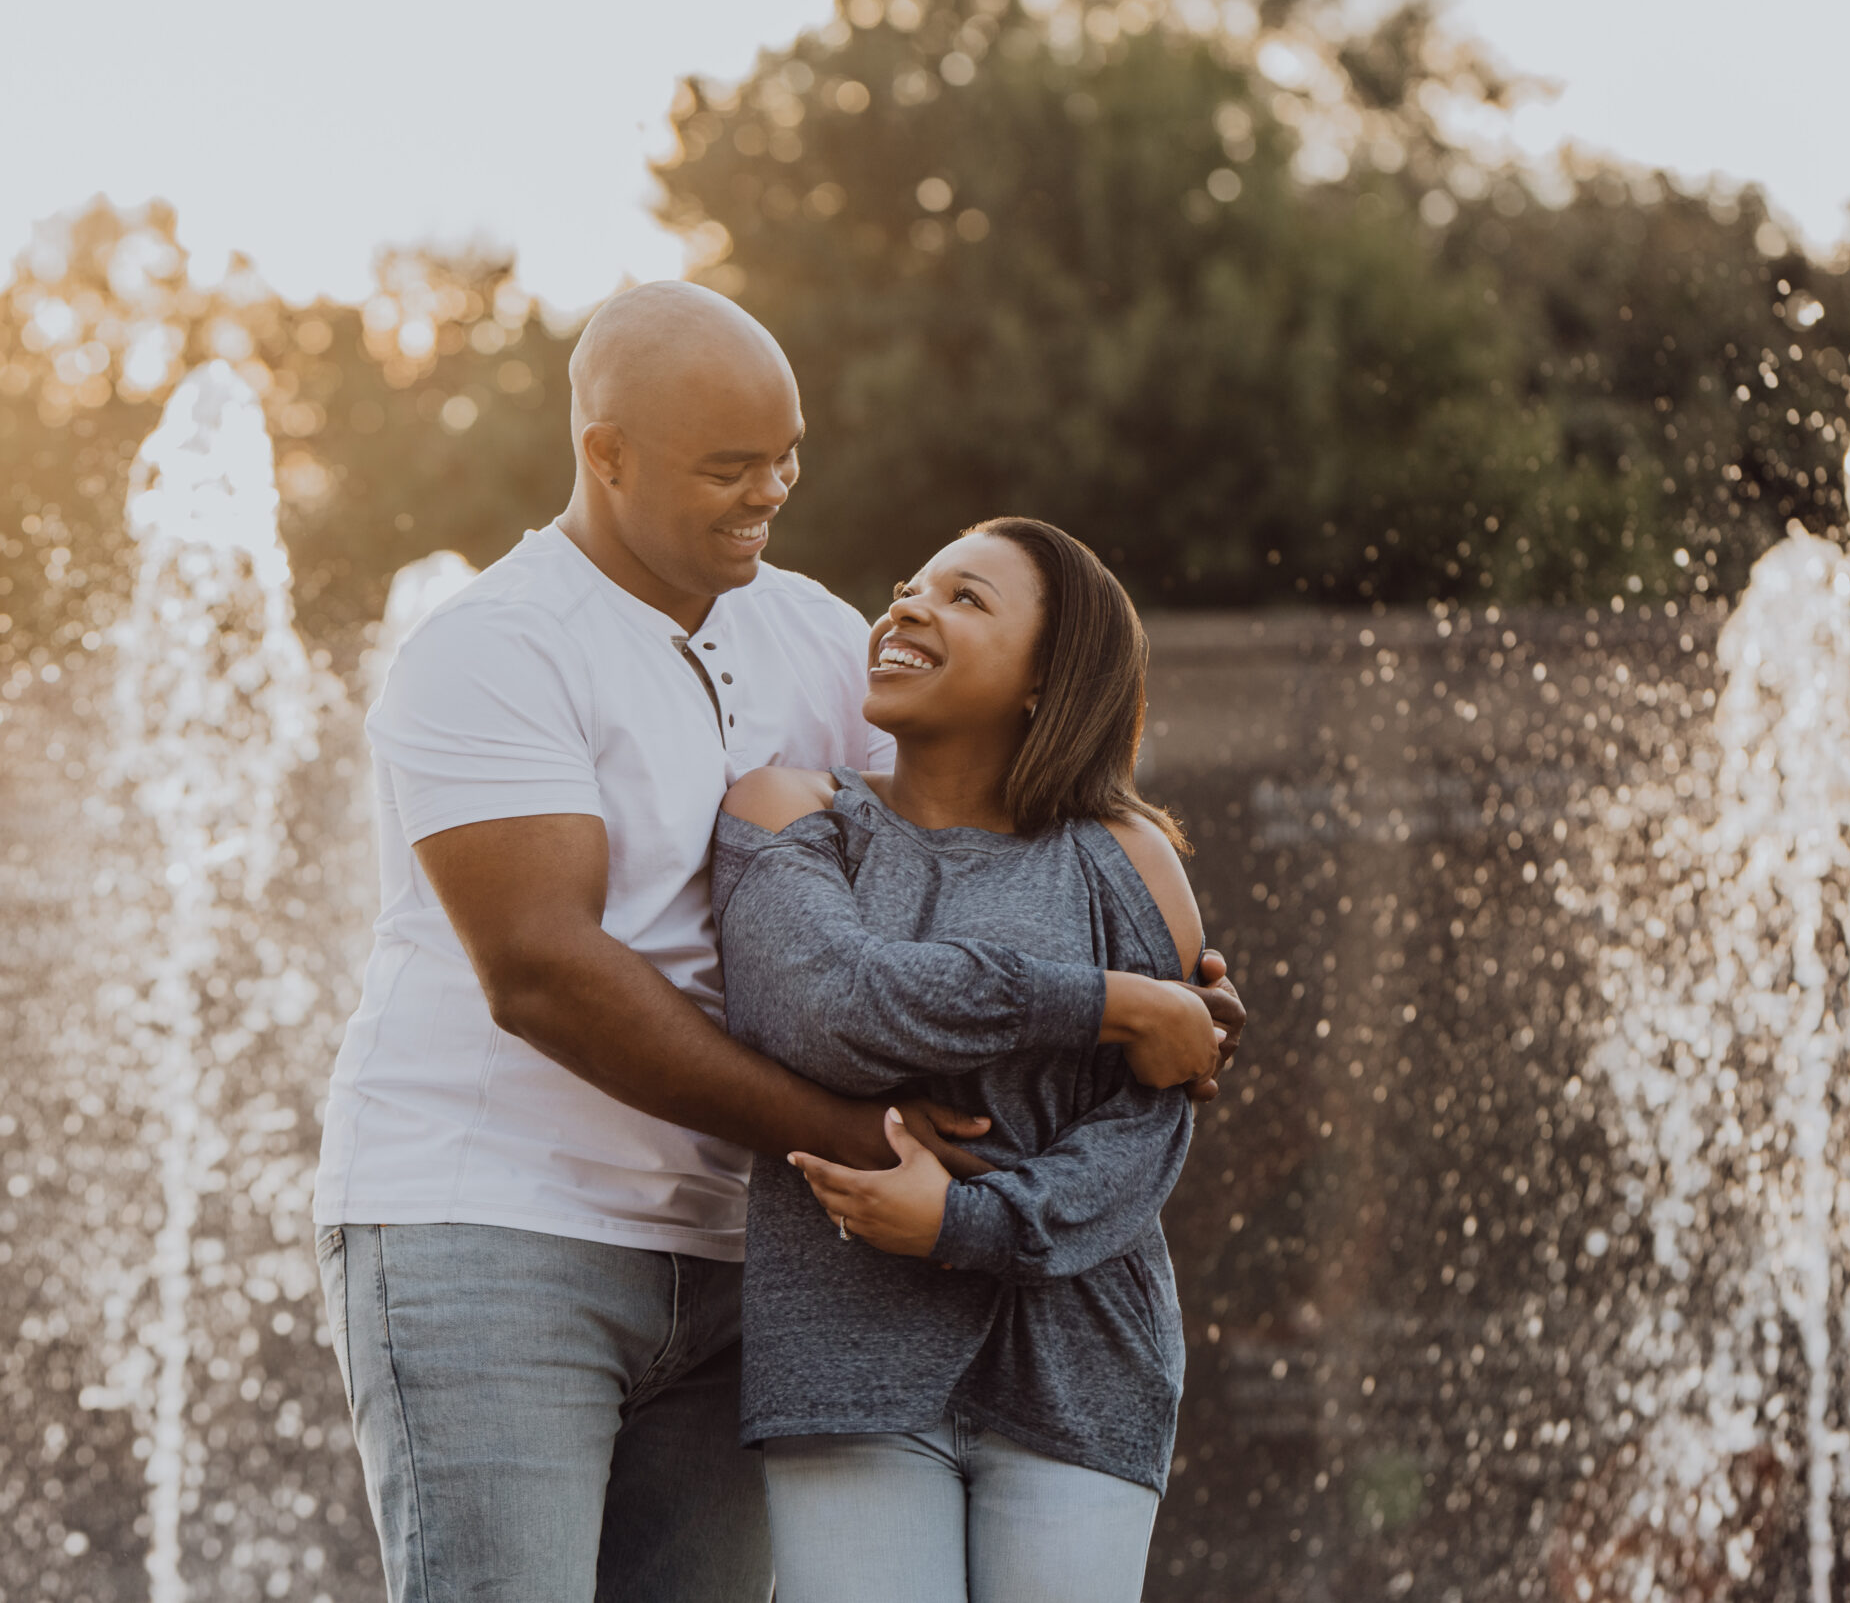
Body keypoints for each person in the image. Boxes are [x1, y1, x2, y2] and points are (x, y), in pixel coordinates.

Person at [311, 282, 1246, 1602]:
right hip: (496, 1225)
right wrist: (854, 1133)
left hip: (749, 1261)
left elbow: (967, 844)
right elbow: (543, 976)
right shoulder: (492, 649)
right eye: (728, 468)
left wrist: (1162, 969)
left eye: (787, 458)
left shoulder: (809, 631)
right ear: (607, 455)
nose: (770, 493)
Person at [712, 517, 1215, 1603]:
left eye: (965, 598)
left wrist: (969, 1224)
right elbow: (835, 1007)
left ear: (1048, 677)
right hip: (847, 1363)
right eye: (909, 587)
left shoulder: (1128, 858)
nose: (906, 608)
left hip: (1085, 1365)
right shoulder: (788, 808)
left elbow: (1149, 1124)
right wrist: (1105, 1002)